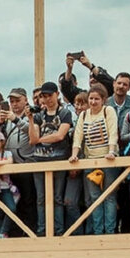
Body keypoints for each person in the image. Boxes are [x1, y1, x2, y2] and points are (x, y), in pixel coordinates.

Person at [69, 84, 119, 235]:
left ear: (103, 100)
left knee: (109, 197)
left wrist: (111, 151)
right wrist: (74, 154)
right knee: (95, 197)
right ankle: (98, 231)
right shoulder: (84, 115)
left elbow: (113, 132)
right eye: (91, 98)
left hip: (108, 160)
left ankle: (109, 231)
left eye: (97, 99)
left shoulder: (108, 111)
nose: (93, 102)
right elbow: (78, 136)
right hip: (91, 159)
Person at [29, 82, 73, 236]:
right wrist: (30, 119)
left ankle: (59, 231)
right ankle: (43, 231)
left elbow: (60, 135)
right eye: (44, 96)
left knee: (57, 197)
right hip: (40, 159)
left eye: (49, 95)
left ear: (57, 94)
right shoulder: (39, 115)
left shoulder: (64, 113)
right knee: (41, 198)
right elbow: (32, 138)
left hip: (58, 158)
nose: (47, 99)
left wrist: (40, 139)